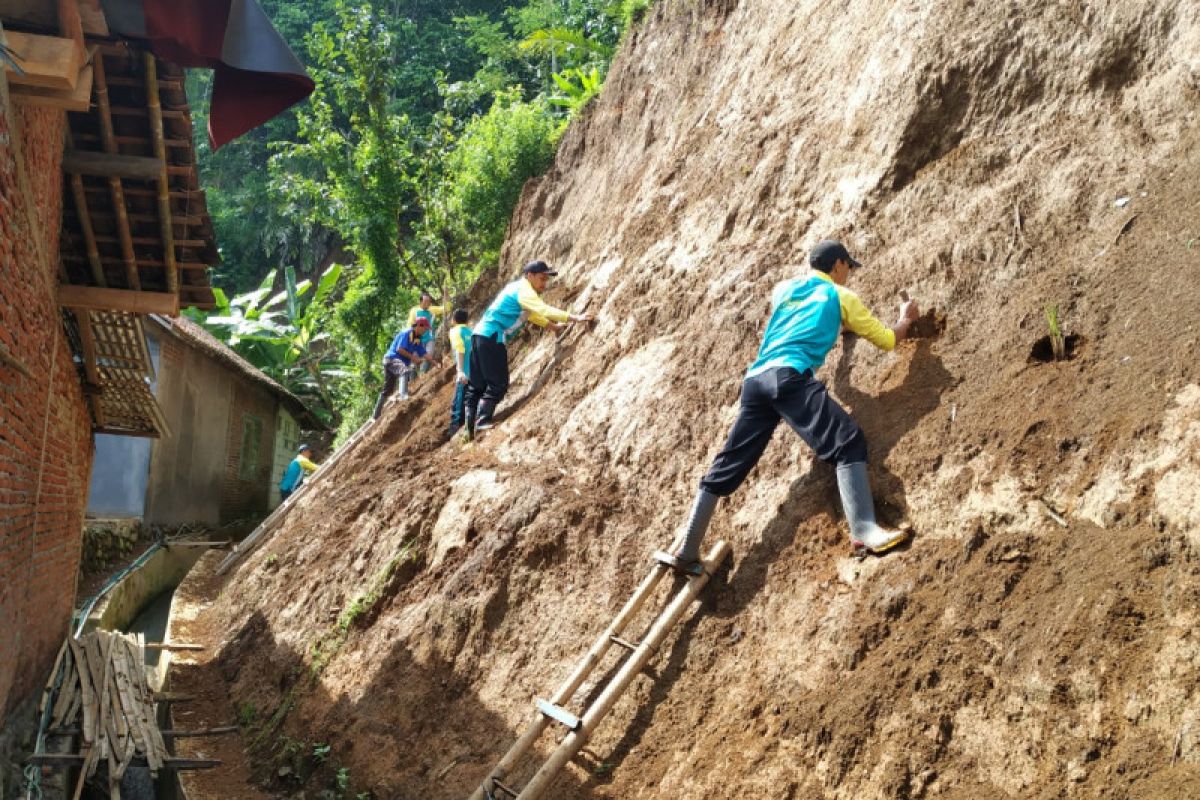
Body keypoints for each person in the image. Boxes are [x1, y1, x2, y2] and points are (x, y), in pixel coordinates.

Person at [661, 240, 920, 574]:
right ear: (839, 265)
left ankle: (688, 550)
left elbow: (800, 318)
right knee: (847, 440)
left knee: (729, 465)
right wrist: (905, 319)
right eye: (848, 268)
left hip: (755, 381)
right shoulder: (842, 297)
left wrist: (834, 327)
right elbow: (887, 340)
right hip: (788, 377)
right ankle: (864, 531)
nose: (849, 275)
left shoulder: (785, 290)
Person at [462, 260, 593, 440]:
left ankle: (469, 430)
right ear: (530, 276)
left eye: (546, 280)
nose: (544, 284)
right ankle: (482, 421)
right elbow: (542, 309)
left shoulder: (516, 288)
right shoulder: (524, 290)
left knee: (476, 386)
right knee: (498, 383)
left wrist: (553, 327)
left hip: (478, 336)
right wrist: (575, 317)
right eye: (541, 279)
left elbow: (532, 314)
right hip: (492, 336)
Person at [372, 317, 438, 419]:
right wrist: (413, 358)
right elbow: (399, 349)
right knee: (405, 371)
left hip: (394, 362)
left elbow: (423, 353)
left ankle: (375, 416)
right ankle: (404, 397)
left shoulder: (416, 338)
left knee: (388, 390)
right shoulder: (407, 333)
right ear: (419, 325)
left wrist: (434, 362)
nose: (425, 331)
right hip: (391, 359)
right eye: (424, 328)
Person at [447, 308, 473, 436]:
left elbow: (460, 349)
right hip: (475, 373)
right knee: (470, 402)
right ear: (467, 320)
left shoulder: (455, 331)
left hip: (464, 374)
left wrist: (460, 371)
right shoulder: (471, 331)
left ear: (454, 320)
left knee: (458, 405)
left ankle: (454, 433)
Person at [407, 292, 444, 369]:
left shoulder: (432, 309)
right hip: (417, 337)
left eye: (429, 301)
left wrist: (447, 296)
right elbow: (410, 324)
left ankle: (423, 374)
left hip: (429, 337)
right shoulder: (414, 311)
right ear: (420, 302)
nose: (428, 303)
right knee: (415, 357)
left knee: (429, 354)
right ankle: (413, 378)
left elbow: (445, 308)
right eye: (426, 301)